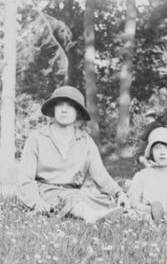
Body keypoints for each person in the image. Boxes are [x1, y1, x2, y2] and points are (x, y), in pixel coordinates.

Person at [16, 86, 130, 223]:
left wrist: (119, 193)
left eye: (70, 106)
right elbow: (25, 178)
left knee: (106, 199)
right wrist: (35, 202)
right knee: (69, 198)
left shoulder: (86, 141)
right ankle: (90, 215)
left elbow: (101, 176)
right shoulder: (37, 138)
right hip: (46, 193)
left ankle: (136, 210)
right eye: (60, 105)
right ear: (53, 109)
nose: (64, 110)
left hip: (76, 194)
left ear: (77, 112)